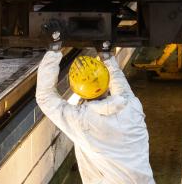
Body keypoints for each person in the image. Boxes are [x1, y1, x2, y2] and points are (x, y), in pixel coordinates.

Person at [35, 38, 155, 184]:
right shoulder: (132, 106)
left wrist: (54, 50)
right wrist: (106, 55)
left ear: (76, 91)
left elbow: (45, 97)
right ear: (106, 81)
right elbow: (119, 82)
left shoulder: (82, 121)